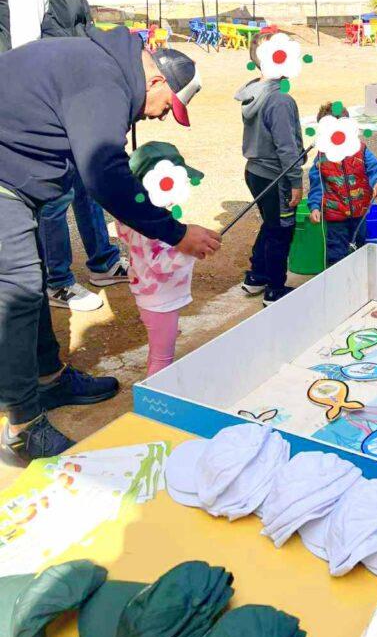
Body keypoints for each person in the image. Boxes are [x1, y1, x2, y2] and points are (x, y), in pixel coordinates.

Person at [0, 27, 220, 464]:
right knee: (17, 290)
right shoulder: (103, 83)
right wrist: (175, 232)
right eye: (167, 107)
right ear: (156, 80)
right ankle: (23, 427)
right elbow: (104, 174)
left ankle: (49, 379)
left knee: (31, 281)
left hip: (14, 174)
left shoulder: (106, 70)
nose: (161, 117)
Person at [0, 0, 128, 314]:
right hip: (46, 106)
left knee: (85, 181)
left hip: (69, 98)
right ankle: (57, 281)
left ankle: (103, 261)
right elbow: (25, 52)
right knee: (54, 198)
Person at [116, 142, 201, 376]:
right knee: (162, 359)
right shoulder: (150, 228)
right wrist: (191, 249)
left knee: (160, 351)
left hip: (153, 296)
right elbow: (159, 262)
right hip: (159, 300)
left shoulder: (138, 217)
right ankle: (154, 393)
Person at [236, 39, 305, 305]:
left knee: (271, 223)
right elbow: (286, 148)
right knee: (281, 230)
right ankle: (275, 289)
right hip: (275, 175)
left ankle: (257, 275)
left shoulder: (254, 91)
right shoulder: (280, 101)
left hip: (256, 172)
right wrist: (296, 182)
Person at [308, 103, 377, 267]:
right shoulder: (321, 158)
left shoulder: (361, 150)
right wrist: (315, 206)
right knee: (336, 255)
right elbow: (316, 186)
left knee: (361, 249)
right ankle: (338, 279)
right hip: (335, 217)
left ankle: (359, 278)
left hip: (360, 213)